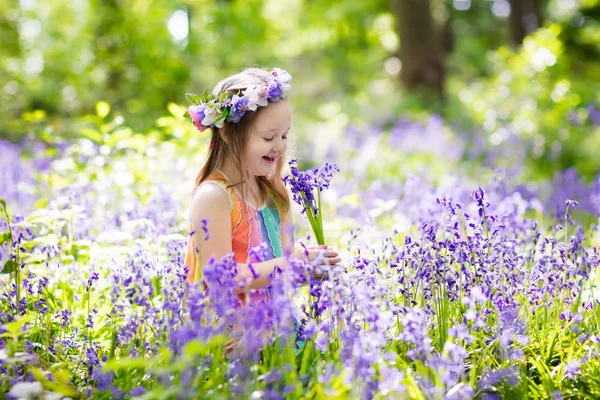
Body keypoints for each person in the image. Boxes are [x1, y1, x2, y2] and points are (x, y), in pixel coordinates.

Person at [183, 67, 341, 316]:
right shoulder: (214, 197)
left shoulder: (274, 195)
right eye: (269, 137)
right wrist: (293, 265)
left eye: (285, 136)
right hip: (231, 339)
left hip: (278, 332)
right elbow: (220, 279)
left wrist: (312, 268)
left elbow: (281, 274)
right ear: (226, 133)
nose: (279, 146)